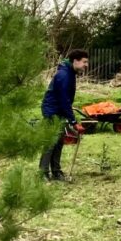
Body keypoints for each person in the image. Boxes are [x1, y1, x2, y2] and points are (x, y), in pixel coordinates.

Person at [39, 49, 89, 181]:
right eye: (84, 62)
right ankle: (43, 173)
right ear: (75, 61)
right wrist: (74, 122)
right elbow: (64, 100)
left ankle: (56, 171)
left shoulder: (70, 72)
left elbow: (65, 101)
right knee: (50, 142)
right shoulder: (64, 75)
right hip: (52, 112)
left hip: (59, 111)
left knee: (59, 142)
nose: (86, 65)